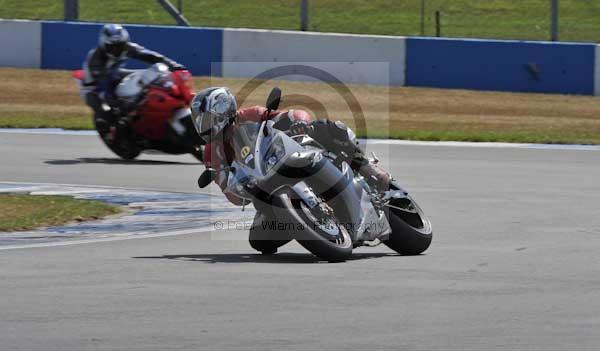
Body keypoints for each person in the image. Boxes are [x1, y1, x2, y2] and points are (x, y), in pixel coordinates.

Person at [190, 87, 391, 254]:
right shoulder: (211, 153)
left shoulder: (248, 116)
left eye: (206, 119)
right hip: (264, 186)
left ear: (223, 110)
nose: (202, 126)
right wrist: (229, 183)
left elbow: (291, 113)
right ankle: (307, 224)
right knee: (260, 241)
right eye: (199, 121)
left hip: (289, 158)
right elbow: (231, 195)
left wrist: (299, 122)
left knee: (323, 127)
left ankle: (368, 168)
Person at [82, 23, 185, 137]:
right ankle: (112, 133)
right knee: (106, 110)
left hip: (114, 73)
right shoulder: (96, 60)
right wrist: (120, 105)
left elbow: (151, 56)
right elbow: (104, 86)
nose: (117, 50)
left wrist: (174, 65)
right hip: (93, 87)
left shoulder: (127, 47)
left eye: (120, 46)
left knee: (147, 75)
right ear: (103, 45)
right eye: (112, 47)